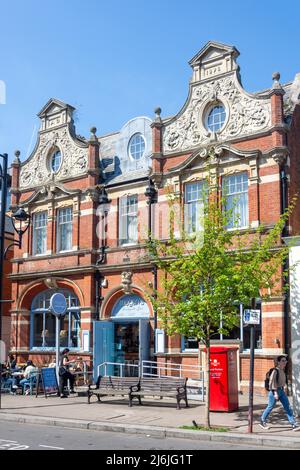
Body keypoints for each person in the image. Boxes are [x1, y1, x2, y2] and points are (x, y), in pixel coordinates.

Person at [260, 355, 300, 431]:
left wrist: (283, 389)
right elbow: (272, 382)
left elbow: (282, 382)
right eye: (283, 361)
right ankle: (262, 420)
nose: (285, 362)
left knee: (288, 407)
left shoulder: (282, 370)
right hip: (275, 391)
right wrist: (275, 393)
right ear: (278, 362)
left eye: (286, 361)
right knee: (270, 407)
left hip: (281, 391)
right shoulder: (275, 371)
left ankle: (294, 424)